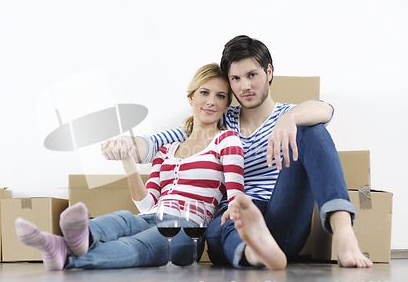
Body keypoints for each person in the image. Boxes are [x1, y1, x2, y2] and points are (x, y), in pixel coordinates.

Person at [101, 35, 373, 269]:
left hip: (281, 216)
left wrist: (291, 118)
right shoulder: (218, 119)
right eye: (236, 79)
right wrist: (125, 144)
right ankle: (256, 254)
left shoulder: (288, 116)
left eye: (252, 75)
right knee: (229, 216)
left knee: (312, 130)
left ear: (268, 72)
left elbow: (325, 109)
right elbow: (152, 145)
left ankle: (345, 236)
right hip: (233, 221)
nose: (245, 86)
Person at [15, 63, 252, 270]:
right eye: (205, 92)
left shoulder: (227, 140)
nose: (211, 101)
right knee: (124, 218)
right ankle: (78, 235)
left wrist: (237, 216)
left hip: (188, 229)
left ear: (226, 104)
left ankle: (64, 253)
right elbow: (147, 203)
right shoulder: (166, 149)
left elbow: (235, 195)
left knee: (133, 245)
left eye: (221, 96)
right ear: (191, 97)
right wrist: (127, 160)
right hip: (151, 215)